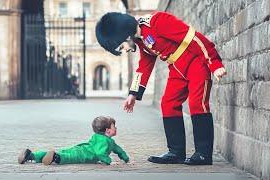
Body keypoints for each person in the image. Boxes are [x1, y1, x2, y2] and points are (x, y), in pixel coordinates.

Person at [95, 11, 227, 165]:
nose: (123, 50)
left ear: (124, 35)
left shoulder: (157, 22)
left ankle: (203, 154)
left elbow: (194, 38)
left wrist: (214, 62)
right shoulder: (141, 41)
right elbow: (144, 67)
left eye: (120, 47)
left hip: (196, 62)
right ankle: (176, 152)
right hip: (177, 69)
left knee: (197, 104)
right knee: (168, 104)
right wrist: (133, 94)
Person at [18, 116, 129, 165]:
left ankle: (31, 155)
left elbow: (118, 150)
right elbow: (100, 154)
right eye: (114, 126)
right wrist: (110, 162)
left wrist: (126, 159)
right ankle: (56, 158)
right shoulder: (106, 141)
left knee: (64, 152)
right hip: (83, 155)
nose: (116, 128)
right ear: (107, 131)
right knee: (68, 157)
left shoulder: (102, 138)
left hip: (79, 148)